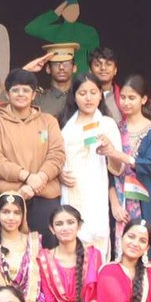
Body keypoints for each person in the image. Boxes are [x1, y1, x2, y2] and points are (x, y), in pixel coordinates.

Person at [0, 69, 66, 242]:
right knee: (5, 250)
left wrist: (40, 178)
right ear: (8, 94)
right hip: (7, 197)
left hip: (44, 195)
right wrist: (27, 177)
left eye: (26, 90)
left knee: (47, 251)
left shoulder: (48, 121)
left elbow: (57, 154)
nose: (21, 94)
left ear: (34, 95)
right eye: (15, 90)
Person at [100, 76, 151, 263]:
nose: (126, 102)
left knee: (146, 250)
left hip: (144, 197)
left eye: (132, 98)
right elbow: (108, 172)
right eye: (123, 98)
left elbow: (148, 164)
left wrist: (118, 154)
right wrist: (114, 204)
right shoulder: (115, 128)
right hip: (119, 198)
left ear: (143, 99)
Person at [59, 77, 114, 258]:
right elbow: (55, 157)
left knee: (96, 248)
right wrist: (59, 174)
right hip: (70, 190)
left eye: (93, 92)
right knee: (70, 240)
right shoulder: (64, 124)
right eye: (82, 93)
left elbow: (118, 169)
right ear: (74, 96)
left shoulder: (107, 123)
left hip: (95, 192)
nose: (88, 98)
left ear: (100, 95)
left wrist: (110, 150)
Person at [0, 192, 43, 302]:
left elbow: (44, 283)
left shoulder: (34, 242)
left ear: (23, 215)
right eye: (5, 212)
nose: (11, 217)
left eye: (17, 213)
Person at [24, 0, 99, 76]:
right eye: (68, 9)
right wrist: (56, 13)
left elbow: (95, 57)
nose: (72, 12)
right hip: (60, 76)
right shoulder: (58, 30)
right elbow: (30, 28)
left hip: (82, 78)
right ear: (62, 12)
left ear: (78, 12)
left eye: (75, 9)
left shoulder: (88, 31)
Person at [34, 45, 77, 124]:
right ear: (48, 68)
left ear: (74, 68)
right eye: (56, 64)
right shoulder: (37, 97)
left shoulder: (82, 96)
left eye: (66, 63)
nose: (61, 67)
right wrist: (27, 70)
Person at [87, 46, 123, 123]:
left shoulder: (123, 97)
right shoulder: (84, 97)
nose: (103, 68)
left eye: (108, 64)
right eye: (97, 65)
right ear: (90, 70)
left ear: (115, 70)